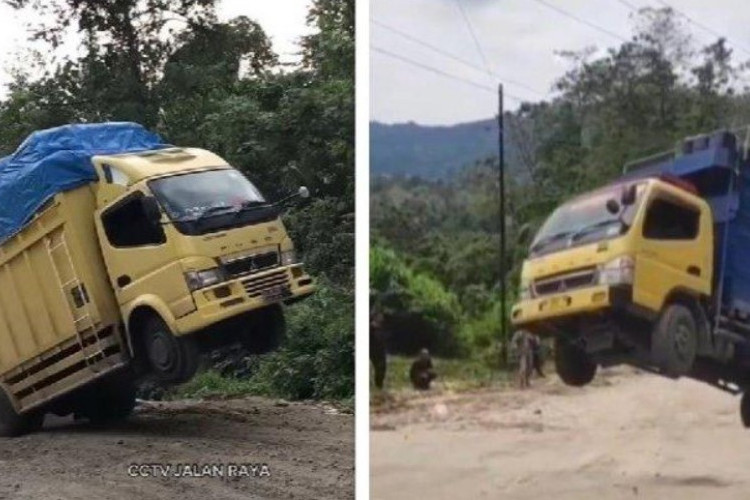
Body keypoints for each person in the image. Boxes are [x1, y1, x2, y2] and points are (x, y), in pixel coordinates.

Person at [370, 310, 387, 389]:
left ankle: (380, 385)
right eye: (380, 316)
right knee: (378, 368)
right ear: (375, 317)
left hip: (381, 351)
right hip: (374, 351)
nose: (382, 318)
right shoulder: (371, 328)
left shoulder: (381, 327)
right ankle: (377, 385)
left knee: (382, 368)